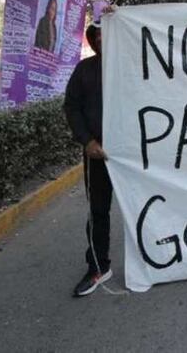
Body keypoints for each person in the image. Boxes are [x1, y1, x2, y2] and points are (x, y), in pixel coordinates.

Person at [65, 23, 111, 296]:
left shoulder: (135, 65)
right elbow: (71, 107)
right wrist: (87, 141)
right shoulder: (85, 70)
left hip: (134, 156)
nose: (102, 39)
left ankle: (159, 261)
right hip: (98, 155)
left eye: (109, 33)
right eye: (97, 35)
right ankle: (98, 267)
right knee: (98, 212)